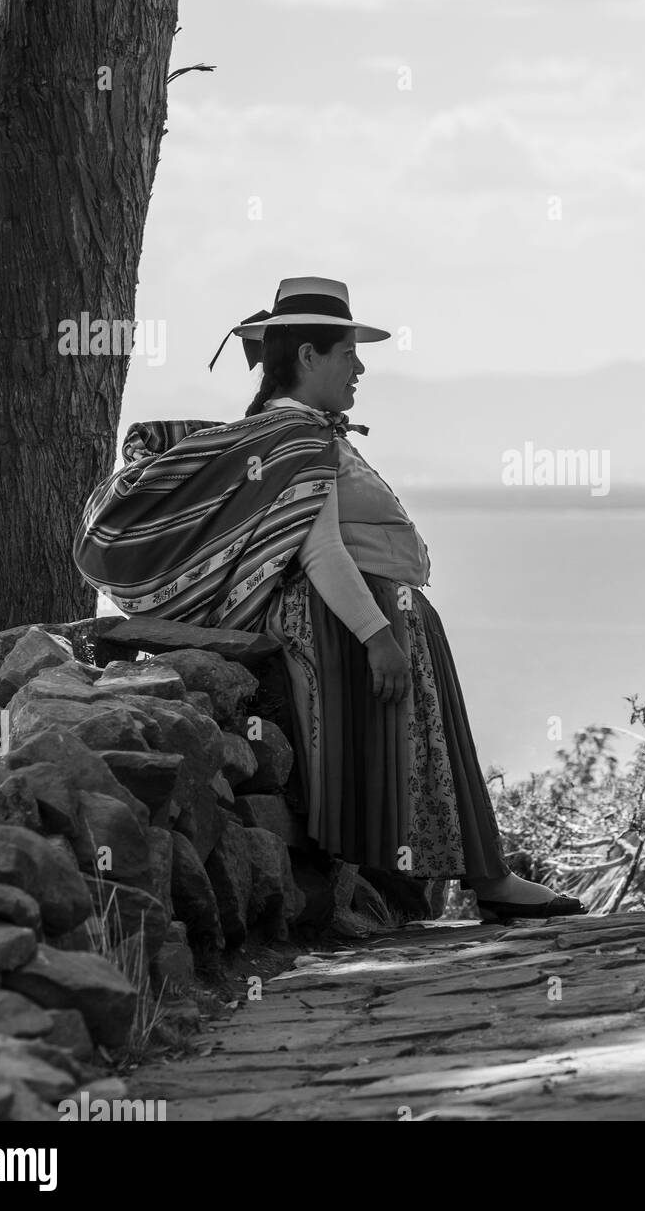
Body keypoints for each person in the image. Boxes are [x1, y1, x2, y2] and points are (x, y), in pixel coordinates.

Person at [75, 276, 585, 927]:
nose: (360, 367)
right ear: (310, 358)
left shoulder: (298, 435)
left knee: (409, 721)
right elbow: (320, 554)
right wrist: (377, 634)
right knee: (400, 711)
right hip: (329, 618)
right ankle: (480, 880)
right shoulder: (291, 441)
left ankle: (453, 883)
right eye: (348, 353)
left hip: (346, 611)